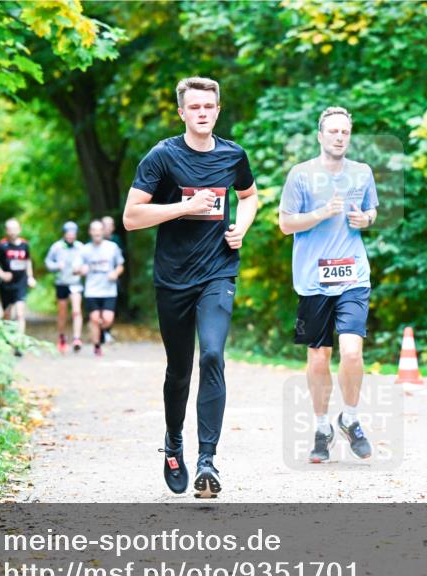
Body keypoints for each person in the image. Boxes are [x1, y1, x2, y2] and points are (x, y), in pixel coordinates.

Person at [122, 76, 258, 498]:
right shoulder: (162, 156)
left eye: (209, 106)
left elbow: (250, 195)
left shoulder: (233, 155)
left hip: (218, 272)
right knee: (179, 370)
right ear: (182, 112)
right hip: (173, 278)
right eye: (194, 107)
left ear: (218, 110)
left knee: (213, 355)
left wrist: (242, 227)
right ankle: (173, 440)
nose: (202, 112)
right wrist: (185, 206)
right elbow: (131, 217)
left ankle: (207, 461)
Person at [278, 106, 378, 463]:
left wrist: (364, 218)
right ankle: (322, 428)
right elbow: (285, 224)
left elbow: (371, 212)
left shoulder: (362, 173)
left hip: (353, 275)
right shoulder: (301, 176)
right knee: (319, 357)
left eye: (345, 132)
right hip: (312, 280)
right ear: (320, 136)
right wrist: (320, 214)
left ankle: (349, 419)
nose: (339, 137)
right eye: (332, 131)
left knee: (352, 351)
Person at [78, 220, 124, 357]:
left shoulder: (112, 247)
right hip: (92, 290)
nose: (97, 232)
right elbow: (76, 268)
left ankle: (101, 331)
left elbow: (121, 265)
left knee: (108, 319)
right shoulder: (85, 249)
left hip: (109, 290)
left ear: (103, 232)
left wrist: (115, 273)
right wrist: (82, 269)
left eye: (99, 230)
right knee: (94, 318)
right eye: (94, 230)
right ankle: (97, 346)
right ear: (90, 232)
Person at [0, 218, 36, 356]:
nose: (12, 232)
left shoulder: (24, 245)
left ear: (19, 229)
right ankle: (5, 339)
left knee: (20, 313)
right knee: (7, 314)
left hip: (21, 283)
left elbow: (28, 261)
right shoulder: (2, 246)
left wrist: (30, 277)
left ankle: (19, 343)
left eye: (15, 228)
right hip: (6, 285)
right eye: (10, 229)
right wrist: (2, 274)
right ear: (6, 231)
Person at [45, 221, 85, 353]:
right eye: (68, 234)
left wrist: (82, 269)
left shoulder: (80, 247)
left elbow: (87, 264)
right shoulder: (57, 247)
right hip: (61, 283)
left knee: (76, 310)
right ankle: (61, 337)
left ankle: (76, 338)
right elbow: (48, 262)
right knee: (62, 313)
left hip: (75, 282)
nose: (71, 237)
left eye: (73, 234)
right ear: (64, 234)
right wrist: (57, 266)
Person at [100, 215, 122, 344]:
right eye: (105, 224)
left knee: (110, 307)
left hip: (112, 277)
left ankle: (107, 331)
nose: (107, 228)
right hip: (97, 280)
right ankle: (100, 333)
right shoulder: (96, 239)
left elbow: (121, 258)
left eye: (110, 225)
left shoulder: (116, 240)